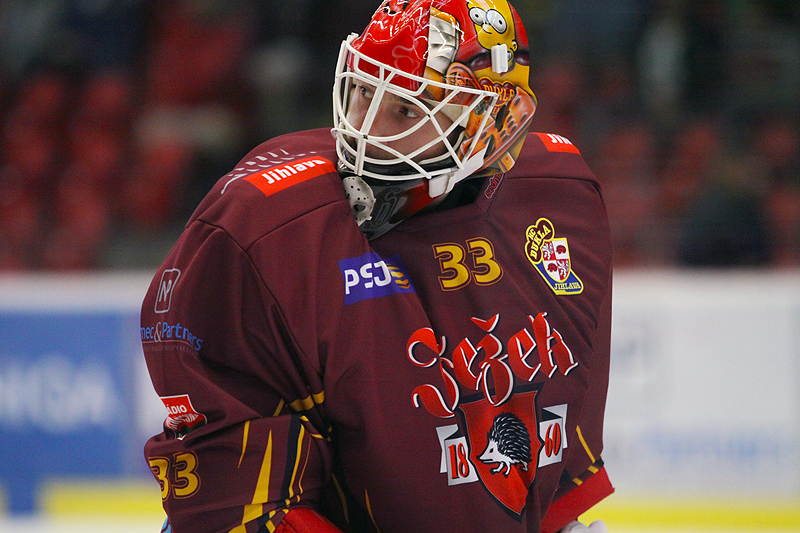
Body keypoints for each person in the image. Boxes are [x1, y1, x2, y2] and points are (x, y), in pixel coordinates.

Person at [140, 1, 614, 532]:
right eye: (365, 91)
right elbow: (240, 505)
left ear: (491, 122)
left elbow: (554, 477)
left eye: (407, 111)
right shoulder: (267, 225)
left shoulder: (560, 198)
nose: (364, 131)